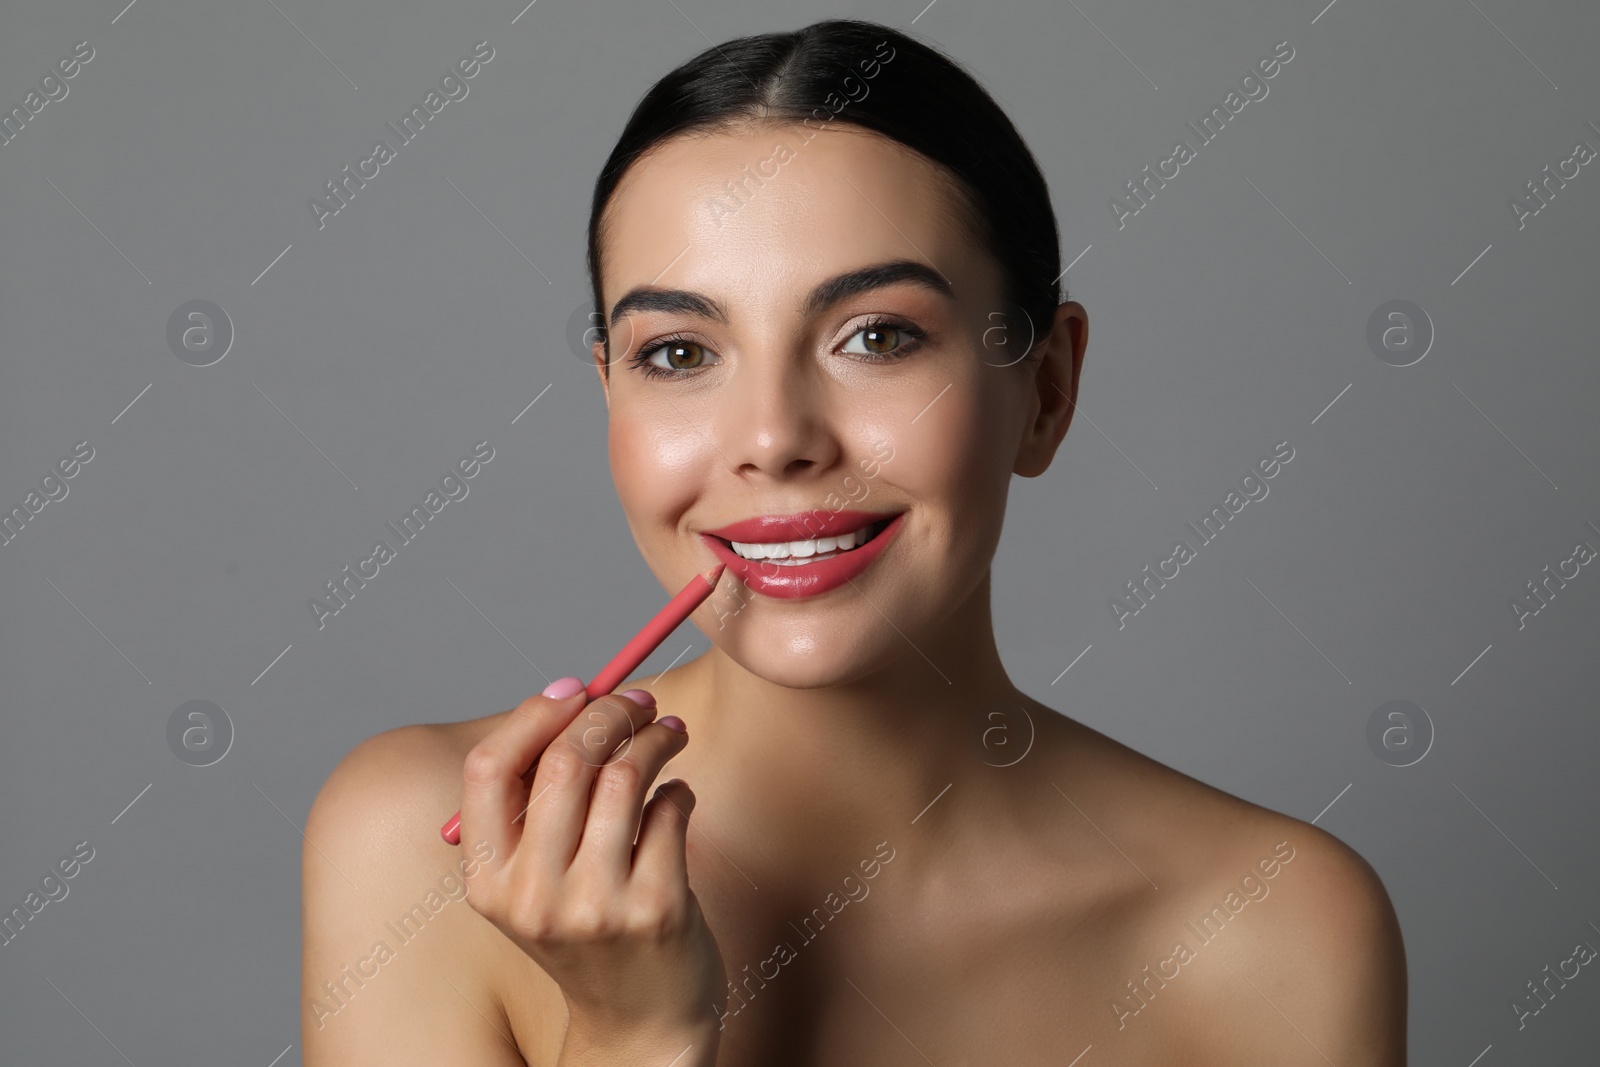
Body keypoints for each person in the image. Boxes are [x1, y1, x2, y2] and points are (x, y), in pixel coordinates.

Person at [302, 17, 1406, 1065]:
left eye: (877, 336)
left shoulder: (1278, 921)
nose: (774, 439)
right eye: (679, 353)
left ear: (1047, 389)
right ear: (608, 395)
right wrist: (633, 1036)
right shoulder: (419, 851)